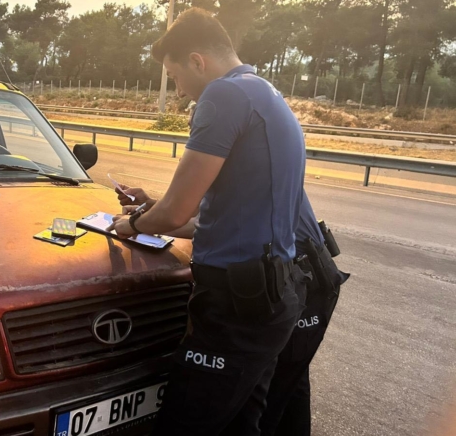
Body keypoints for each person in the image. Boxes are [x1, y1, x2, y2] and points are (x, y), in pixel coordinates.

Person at [106, 8, 309, 435]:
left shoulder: (224, 95)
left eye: (175, 77)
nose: (179, 92)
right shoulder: (263, 92)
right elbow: (206, 222)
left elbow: (177, 214)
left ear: (198, 61)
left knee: (185, 423)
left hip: (236, 305)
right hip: (270, 295)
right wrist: (154, 209)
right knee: (240, 425)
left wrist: (127, 225)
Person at [116, 185, 349, 435]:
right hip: (296, 276)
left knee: (273, 397)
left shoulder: (238, 154)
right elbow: (200, 207)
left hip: (299, 276)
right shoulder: (250, 155)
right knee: (287, 388)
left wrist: (134, 224)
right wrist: (152, 205)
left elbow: (207, 224)